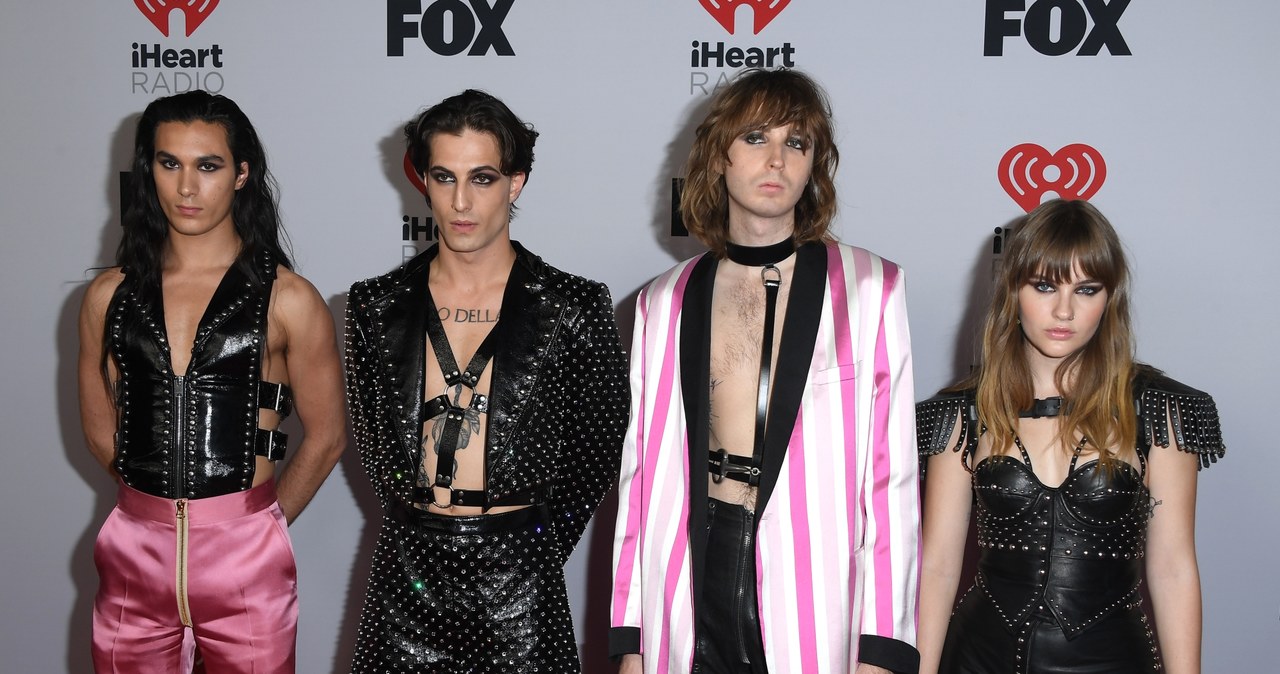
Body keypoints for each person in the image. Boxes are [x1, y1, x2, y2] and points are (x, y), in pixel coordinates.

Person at [610, 68, 921, 674]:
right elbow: (640, 481)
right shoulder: (661, 302)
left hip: (814, 592)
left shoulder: (869, 289)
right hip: (691, 578)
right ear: (718, 156)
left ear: (814, 165)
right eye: (756, 138)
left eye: (796, 143)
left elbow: (892, 483)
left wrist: (882, 649)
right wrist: (631, 638)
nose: (776, 159)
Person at [345, 89, 630, 673]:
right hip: (406, 580)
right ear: (423, 179)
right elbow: (377, 448)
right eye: (444, 177)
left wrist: (531, 541)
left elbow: (599, 449)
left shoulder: (573, 306)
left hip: (521, 588)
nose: (461, 201)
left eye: (483, 178)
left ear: (516, 182)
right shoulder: (373, 306)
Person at [78, 90, 346, 673]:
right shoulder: (108, 296)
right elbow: (104, 435)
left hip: (246, 559)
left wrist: (257, 526)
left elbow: (326, 437)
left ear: (243, 173)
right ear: (148, 169)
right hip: (133, 557)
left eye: (208, 165)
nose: (186, 187)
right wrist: (156, 518)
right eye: (169, 163)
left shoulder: (290, 299)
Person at [915, 198, 1225, 674]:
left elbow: (1174, 568)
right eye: (1043, 286)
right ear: (1011, 290)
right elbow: (937, 567)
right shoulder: (960, 413)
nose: (1063, 310)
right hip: (978, 657)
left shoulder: (1159, 409)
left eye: (1086, 289)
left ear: (1110, 297)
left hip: (1114, 659)